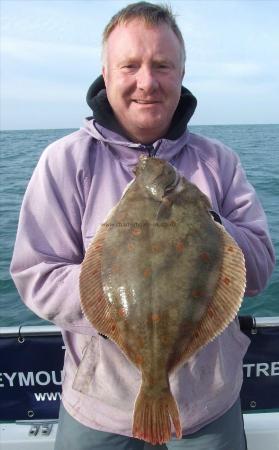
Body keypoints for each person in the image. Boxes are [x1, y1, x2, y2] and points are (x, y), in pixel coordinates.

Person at [10, 2, 275, 449]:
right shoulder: (65, 162)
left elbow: (261, 268)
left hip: (207, 405)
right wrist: (114, 292)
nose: (146, 81)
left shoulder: (219, 162)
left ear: (182, 72)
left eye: (163, 65)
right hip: (99, 405)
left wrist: (207, 226)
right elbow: (36, 274)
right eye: (130, 65)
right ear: (106, 72)